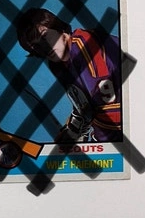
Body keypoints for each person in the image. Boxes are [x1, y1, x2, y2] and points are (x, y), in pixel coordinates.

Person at [16, 8, 121, 143]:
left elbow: (110, 110)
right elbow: (85, 105)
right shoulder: (58, 65)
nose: (44, 47)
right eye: (35, 46)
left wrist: (97, 143)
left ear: (59, 28)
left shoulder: (85, 45)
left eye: (45, 36)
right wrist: (71, 134)